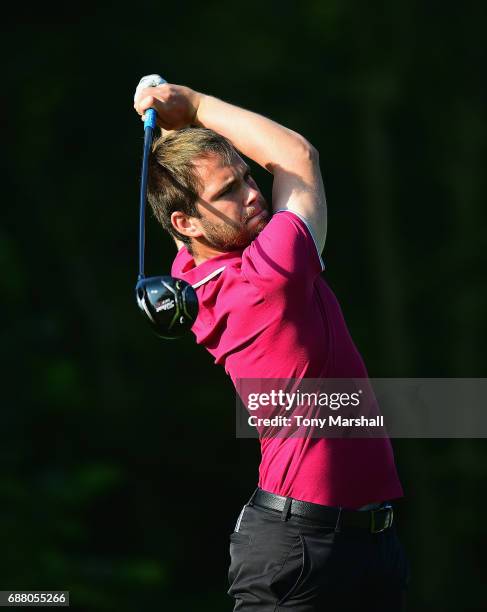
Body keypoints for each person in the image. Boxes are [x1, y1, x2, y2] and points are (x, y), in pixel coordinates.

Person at [133, 82, 410, 611]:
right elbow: (296, 157)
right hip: (303, 551)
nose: (253, 193)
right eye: (229, 192)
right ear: (185, 223)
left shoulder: (190, 280)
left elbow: (190, 224)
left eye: (245, 178)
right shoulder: (270, 275)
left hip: (363, 543)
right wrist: (193, 105)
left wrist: (170, 133)